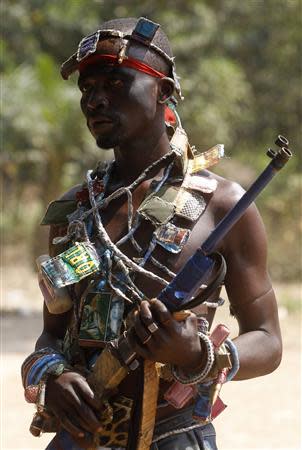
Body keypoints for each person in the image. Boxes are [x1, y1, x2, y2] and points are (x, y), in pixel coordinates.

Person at [21, 17, 282, 450]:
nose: (96, 100)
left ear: (163, 91)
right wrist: (53, 375)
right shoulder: (75, 212)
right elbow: (52, 332)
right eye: (87, 90)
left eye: (116, 83)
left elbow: (269, 342)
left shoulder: (224, 208)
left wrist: (197, 354)